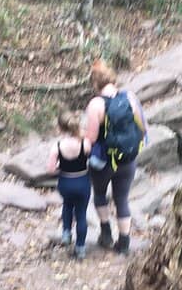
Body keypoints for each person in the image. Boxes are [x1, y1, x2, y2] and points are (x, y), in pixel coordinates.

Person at [83, 59, 147, 255]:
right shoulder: (130, 97)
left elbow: (92, 137)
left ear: (95, 83)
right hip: (127, 158)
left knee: (100, 195)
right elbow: (142, 127)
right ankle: (124, 244)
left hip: (103, 161)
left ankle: (106, 234)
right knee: (122, 199)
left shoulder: (96, 104)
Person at [48, 110, 91, 259]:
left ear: (60, 128)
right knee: (81, 214)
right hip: (82, 182)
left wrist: (62, 168)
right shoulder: (85, 143)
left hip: (66, 182)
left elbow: (51, 170)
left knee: (67, 205)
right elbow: (89, 159)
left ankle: (66, 233)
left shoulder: (57, 146)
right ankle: (80, 248)